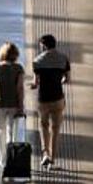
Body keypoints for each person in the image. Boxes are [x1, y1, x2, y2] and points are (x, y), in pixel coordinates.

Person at [31, 34, 70, 169]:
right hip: (58, 99)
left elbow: (36, 82)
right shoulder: (64, 59)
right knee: (56, 128)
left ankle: (45, 154)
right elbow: (66, 79)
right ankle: (52, 158)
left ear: (43, 46)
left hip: (43, 100)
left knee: (43, 126)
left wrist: (33, 85)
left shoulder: (37, 61)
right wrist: (58, 81)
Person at [0, 41, 25, 167]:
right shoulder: (19, 68)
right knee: (11, 131)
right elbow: (20, 88)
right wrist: (21, 106)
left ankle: (1, 159)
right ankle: (11, 157)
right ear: (15, 54)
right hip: (13, 104)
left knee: (0, 130)